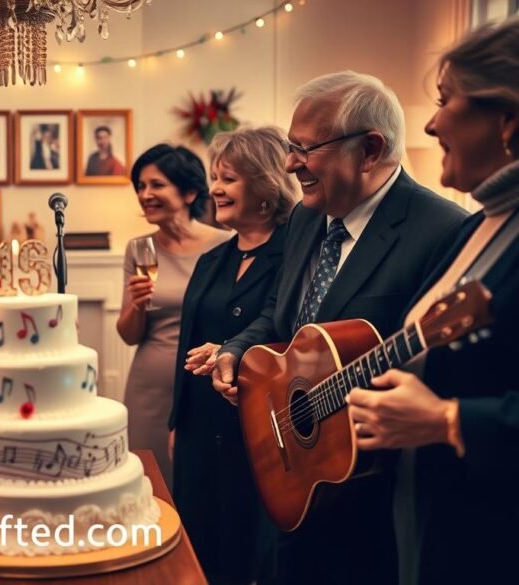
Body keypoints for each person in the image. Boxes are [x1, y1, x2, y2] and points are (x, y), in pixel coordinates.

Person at [209, 71, 468, 585]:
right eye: (289, 146)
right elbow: (280, 312)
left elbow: (444, 373)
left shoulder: (442, 231)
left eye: (305, 148)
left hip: (368, 497)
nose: (289, 164)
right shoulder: (308, 217)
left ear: (369, 151)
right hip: (293, 468)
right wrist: (238, 349)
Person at [345, 19, 519, 584]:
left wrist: (448, 419)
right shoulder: (477, 227)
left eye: (446, 101)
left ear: (507, 119)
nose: (429, 122)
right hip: (429, 517)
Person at [168, 127, 296, 585]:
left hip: (259, 425)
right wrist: (177, 424)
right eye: (214, 178)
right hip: (200, 427)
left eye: (229, 179)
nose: (215, 189)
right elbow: (187, 344)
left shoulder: (294, 255)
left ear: (265, 186)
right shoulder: (212, 260)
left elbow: (279, 324)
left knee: (250, 550)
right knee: (200, 546)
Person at [116, 144, 230, 493]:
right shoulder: (139, 249)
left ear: (190, 191)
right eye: (140, 186)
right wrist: (136, 306)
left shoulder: (225, 245)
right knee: (150, 488)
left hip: (205, 386)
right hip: (148, 390)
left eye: (156, 185)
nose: (144, 194)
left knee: (202, 489)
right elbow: (129, 335)